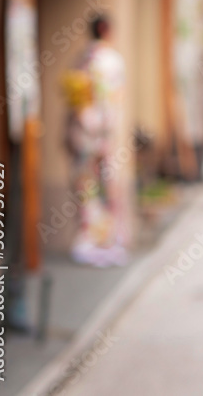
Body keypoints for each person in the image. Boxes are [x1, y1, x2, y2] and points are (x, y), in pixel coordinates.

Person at [61, 14, 129, 267]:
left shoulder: (80, 61)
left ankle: (87, 240)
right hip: (103, 137)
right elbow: (115, 101)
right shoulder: (112, 61)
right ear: (107, 30)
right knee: (106, 188)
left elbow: (75, 100)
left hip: (82, 136)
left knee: (84, 188)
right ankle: (108, 243)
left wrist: (85, 124)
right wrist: (105, 131)